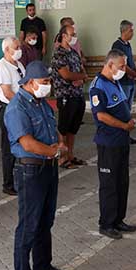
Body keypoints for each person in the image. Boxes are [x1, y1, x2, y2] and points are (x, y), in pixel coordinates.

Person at [4, 60, 69, 270]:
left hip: (48, 168)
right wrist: (56, 152)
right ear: (30, 82)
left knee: (45, 220)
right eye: (45, 81)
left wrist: (59, 142)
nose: (48, 85)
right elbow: (27, 143)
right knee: (29, 225)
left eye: (49, 81)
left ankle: (43, 267)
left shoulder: (40, 101)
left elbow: (53, 128)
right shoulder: (17, 107)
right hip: (30, 170)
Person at [89, 49, 136, 240]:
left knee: (122, 182)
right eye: (121, 66)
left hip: (122, 141)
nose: (124, 69)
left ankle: (118, 219)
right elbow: (100, 115)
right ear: (109, 65)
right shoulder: (98, 86)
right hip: (108, 142)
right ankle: (106, 223)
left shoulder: (114, 82)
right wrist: (124, 125)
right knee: (109, 185)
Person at [51, 25, 88, 169]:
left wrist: (81, 77)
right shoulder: (59, 54)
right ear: (64, 36)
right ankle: (62, 158)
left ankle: (70, 155)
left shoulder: (73, 52)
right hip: (65, 95)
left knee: (73, 128)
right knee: (63, 128)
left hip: (77, 94)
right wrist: (79, 77)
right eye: (72, 34)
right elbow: (65, 74)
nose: (74, 36)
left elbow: (81, 70)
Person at [0, 36, 26, 195]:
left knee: (21, 143)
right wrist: (23, 105)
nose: (19, 50)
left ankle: (19, 178)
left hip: (20, 107)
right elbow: (7, 92)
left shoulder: (18, 64)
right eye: (16, 47)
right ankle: (8, 184)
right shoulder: (2, 67)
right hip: (8, 108)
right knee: (8, 147)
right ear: (7, 50)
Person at [111, 20, 136, 144]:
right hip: (123, 82)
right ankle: (121, 134)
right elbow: (121, 64)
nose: (132, 33)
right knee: (122, 109)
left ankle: (126, 134)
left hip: (130, 81)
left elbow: (130, 61)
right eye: (131, 30)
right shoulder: (117, 45)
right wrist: (132, 72)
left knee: (128, 109)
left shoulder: (127, 44)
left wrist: (135, 69)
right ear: (124, 30)